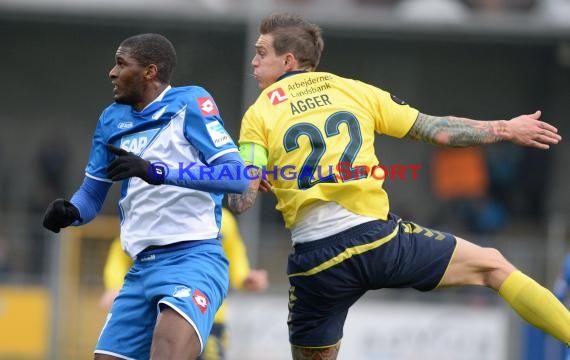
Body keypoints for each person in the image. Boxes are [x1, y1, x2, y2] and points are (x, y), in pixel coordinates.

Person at [227, 12, 570, 359]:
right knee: (494, 266)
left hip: (317, 265)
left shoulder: (258, 115)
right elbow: (436, 129)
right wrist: (506, 129)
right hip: (378, 243)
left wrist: (244, 177)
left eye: (260, 53)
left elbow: (241, 201)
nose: (253, 62)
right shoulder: (353, 90)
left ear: (288, 60)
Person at [42, 33, 248, 360]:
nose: (112, 72)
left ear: (149, 72)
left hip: (192, 260)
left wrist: (156, 170)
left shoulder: (190, 103)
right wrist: (71, 211)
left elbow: (238, 176)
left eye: (122, 64)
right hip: (140, 269)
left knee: (166, 353)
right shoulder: (111, 119)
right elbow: (92, 195)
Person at [99, 208, 269, 360]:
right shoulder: (151, 210)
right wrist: (114, 286)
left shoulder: (225, 220)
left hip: (210, 317)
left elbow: (234, 253)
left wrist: (244, 277)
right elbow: (120, 252)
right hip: (160, 313)